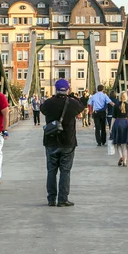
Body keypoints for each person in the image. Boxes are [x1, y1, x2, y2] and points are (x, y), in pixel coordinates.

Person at [41, 79, 84, 207]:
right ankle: (63, 199)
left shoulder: (48, 103)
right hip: (68, 142)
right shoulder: (73, 103)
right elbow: (81, 106)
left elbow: (42, 109)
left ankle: (51, 199)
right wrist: (72, 96)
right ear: (68, 89)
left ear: (55, 89)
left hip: (51, 141)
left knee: (51, 171)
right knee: (65, 171)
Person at [109, 91, 128, 167]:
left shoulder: (116, 106)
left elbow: (113, 118)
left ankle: (120, 157)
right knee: (125, 144)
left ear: (119, 97)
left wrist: (111, 127)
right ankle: (125, 162)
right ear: (126, 97)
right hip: (126, 124)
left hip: (118, 123)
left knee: (118, 143)